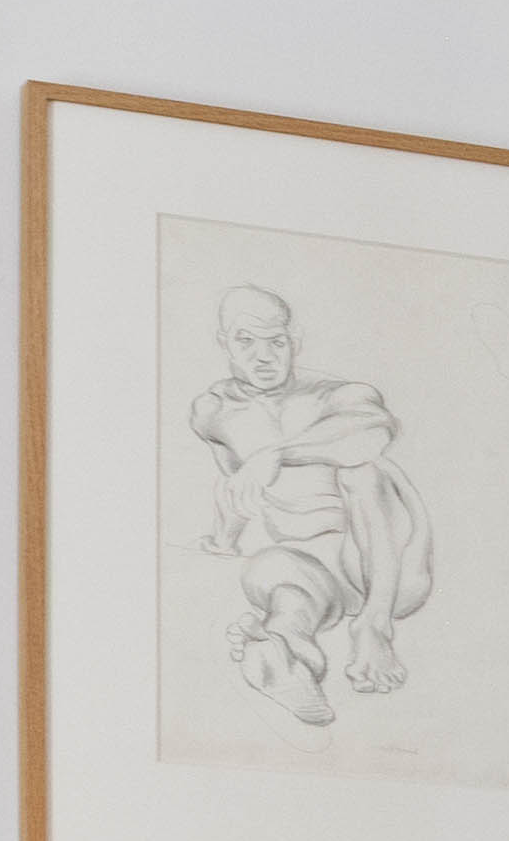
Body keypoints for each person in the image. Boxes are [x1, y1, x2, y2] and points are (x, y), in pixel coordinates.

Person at [185, 281, 438, 728]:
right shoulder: (215, 411)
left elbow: (372, 432)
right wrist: (224, 538)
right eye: (246, 340)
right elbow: (233, 484)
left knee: (364, 469)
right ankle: (288, 650)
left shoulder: (336, 394)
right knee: (271, 571)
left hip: (388, 564)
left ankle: (374, 626)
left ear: (293, 342)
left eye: (276, 341)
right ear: (223, 341)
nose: (263, 356)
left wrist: (278, 454)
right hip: (318, 569)